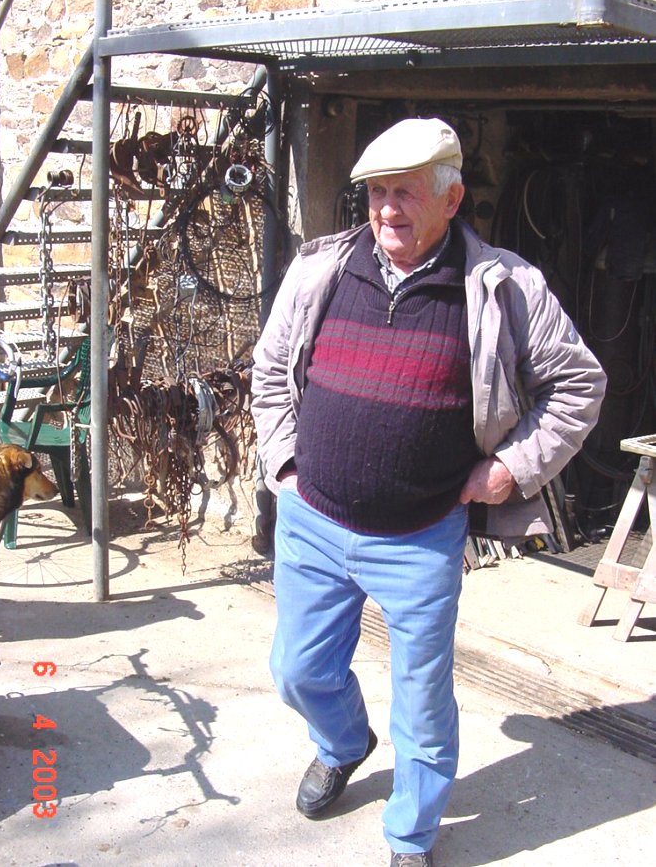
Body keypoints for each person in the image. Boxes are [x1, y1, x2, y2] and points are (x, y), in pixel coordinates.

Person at [251, 117, 606, 866]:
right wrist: (283, 465)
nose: (387, 210)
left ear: (451, 198)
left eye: (405, 193)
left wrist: (509, 470)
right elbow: (271, 369)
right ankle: (343, 742)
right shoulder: (320, 269)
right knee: (297, 671)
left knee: (420, 698)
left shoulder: (502, 285)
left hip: (419, 536)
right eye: (376, 193)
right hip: (313, 520)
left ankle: (410, 835)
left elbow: (578, 384)